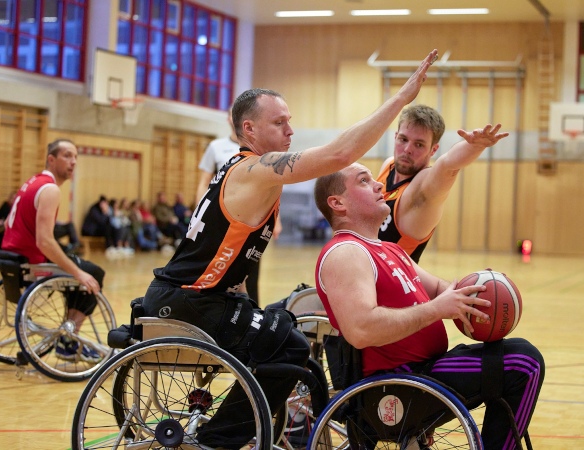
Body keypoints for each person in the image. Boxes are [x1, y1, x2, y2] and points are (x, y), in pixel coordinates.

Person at [141, 49, 439, 447]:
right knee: (289, 345)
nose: (290, 131)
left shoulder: (253, 176)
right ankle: (217, 440)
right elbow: (339, 155)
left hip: (200, 297)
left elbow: (230, 257)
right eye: (279, 122)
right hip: (188, 300)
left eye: (289, 121)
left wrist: (244, 300)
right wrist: (402, 97)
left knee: (285, 321)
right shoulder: (253, 169)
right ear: (249, 128)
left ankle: (276, 423)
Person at [313, 162, 545, 450]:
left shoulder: (389, 248)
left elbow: (437, 288)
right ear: (338, 203)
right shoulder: (345, 252)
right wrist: (437, 309)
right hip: (397, 383)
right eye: (363, 181)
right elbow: (361, 329)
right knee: (523, 362)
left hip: (423, 371)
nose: (378, 185)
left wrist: (476, 290)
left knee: (518, 353)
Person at [1, 139, 106, 363]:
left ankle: (68, 335)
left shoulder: (32, 182)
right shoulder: (50, 190)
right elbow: (44, 242)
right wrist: (78, 273)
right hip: (33, 262)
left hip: (12, 256)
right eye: (67, 156)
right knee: (93, 274)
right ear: (51, 159)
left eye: (75, 157)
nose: (73, 162)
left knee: (78, 266)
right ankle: (68, 341)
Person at [376, 104, 509, 263]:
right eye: (403, 139)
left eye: (419, 144)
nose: (407, 149)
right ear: (396, 136)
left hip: (389, 278)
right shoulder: (389, 165)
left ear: (433, 150)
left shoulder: (424, 187)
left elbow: (448, 165)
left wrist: (475, 146)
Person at [194, 105, 282, 302]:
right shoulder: (216, 147)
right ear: (228, 119)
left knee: (250, 268)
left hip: (252, 220)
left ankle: (251, 310)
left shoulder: (258, 150)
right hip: (221, 217)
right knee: (219, 267)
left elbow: (271, 189)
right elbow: (204, 183)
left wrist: (277, 219)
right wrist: (200, 214)